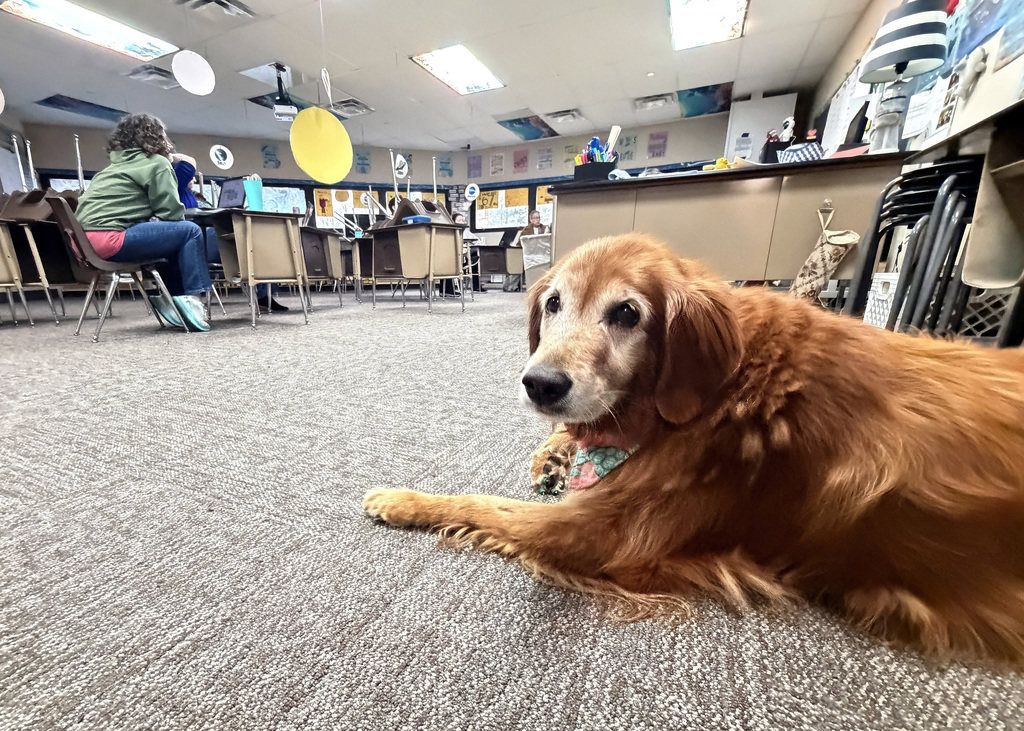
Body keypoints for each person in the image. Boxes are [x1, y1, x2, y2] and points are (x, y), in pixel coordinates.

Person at [75, 113, 211, 331]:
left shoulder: (110, 169)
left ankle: (172, 300)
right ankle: (193, 301)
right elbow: (170, 212)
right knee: (190, 231)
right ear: (157, 137)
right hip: (111, 239)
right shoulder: (156, 163)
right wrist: (170, 158)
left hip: (83, 242)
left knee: (171, 243)